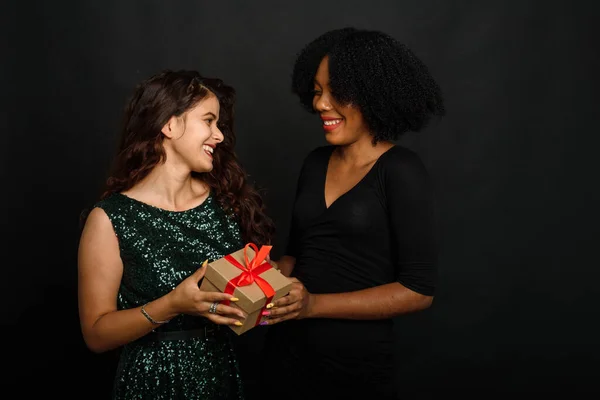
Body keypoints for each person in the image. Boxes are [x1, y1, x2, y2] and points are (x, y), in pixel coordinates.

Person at [259, 27, 445, 399]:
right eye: (317, 91)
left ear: (374, 95)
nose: (321, 104)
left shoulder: (400, 170)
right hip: (287, 356)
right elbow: (297, 257)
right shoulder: (315, 163)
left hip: (355, 369)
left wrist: (313, 306)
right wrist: (253, 275)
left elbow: (418, 291)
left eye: (336, 92)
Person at [77, 69, 275, 399]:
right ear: (169, 125)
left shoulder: (226, 204)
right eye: (208, 121)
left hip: (220, 377)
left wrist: (277, 299)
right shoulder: (110, 218)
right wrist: (172, 305)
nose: (219, 136)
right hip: (150, 384)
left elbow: (248, 303)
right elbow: (96, 335)